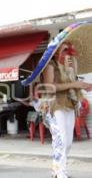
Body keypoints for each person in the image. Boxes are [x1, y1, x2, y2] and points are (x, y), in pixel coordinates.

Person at [41, 41, 92, 178]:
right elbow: (49, 87)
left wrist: (82, 85)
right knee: (61, 140)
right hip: (55, 105)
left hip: (70, 104)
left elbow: (72, 85)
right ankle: (61, 173)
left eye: (69, 50)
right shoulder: (50, 66)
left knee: (67, 142)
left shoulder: (70, 66)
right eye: (64, 50)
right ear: (56, 52)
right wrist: (74, 83)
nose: (68, 53)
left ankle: (56, 170)